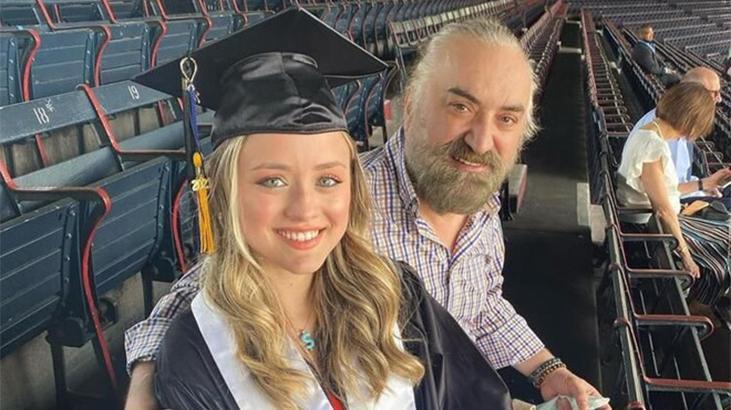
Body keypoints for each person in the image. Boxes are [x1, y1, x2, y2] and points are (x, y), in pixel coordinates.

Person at [126, 15, 608, 410]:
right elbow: (214, 281)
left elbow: (482, 307)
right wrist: (151, 373)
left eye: (506, 118)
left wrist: (548, 372)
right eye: (461, 107)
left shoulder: (469, 215)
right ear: (411, 105)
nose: (482, 141)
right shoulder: (349, 214)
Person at [617, 82, 730, 311]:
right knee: (719, 265)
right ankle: (694, 314)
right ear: (692, 121)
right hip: (652, 227)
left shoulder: (651, 135)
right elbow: (664, 210)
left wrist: (704, 183)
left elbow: (664, 189)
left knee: (726, 236)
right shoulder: (652, 145)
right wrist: (685, 254)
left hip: (655, 221)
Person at [630, 67, 731, 208]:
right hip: (668, 205)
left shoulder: (671, 118)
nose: (719, 99)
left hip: (678, 195)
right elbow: (665, 193)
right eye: (714, 93)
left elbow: (678, 179)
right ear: (695, 93)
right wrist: (701, 185)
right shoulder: (667, 131)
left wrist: (705, 184)